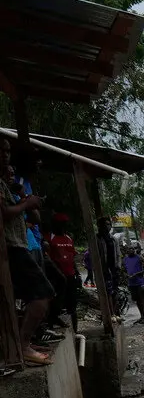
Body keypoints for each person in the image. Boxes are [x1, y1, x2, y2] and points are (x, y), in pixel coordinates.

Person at [0, 138, 54, 365]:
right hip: (11, 248)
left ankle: (23, 342)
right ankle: (22, 344)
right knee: (42, 293)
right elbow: (4, 213)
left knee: (29, 296)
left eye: (7, 151)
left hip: (20, 246)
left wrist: (25, 199)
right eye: (1, 151)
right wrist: (24, 204)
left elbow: (33, 218)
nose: (5, 156)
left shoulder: (10, 187)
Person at [45, 214, 79, 332]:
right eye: (60, 224)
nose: (63, 227)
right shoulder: (49, 238)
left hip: (70, 275)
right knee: (55, 302)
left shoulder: (69, 238)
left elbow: (72, 257)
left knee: (72, 305)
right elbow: (47, 259)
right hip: (56, 277)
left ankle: (76, 331)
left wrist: (77, 273)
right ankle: (51, 325)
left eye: (64, 225)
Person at [123, 245, 144, 324]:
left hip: (140, 282)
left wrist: (137, 274)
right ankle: (142, 317)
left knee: (143, 299)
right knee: (137, 300)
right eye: (129, 249)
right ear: (126, 251)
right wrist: (126, 275)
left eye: (132, 249)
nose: (131, 250)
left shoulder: (139, 258)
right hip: (131, 283)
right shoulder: (125, 259)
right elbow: (124, 270)